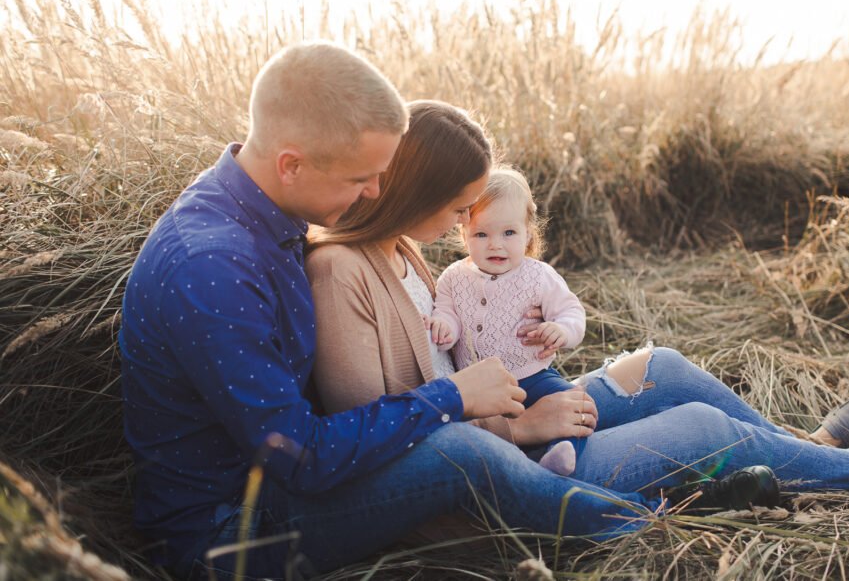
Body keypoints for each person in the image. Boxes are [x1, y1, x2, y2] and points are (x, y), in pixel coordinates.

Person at [119, 44, 776, 581]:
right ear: (291, 164)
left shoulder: (264, 211)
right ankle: (653, 518)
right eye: (361, 179)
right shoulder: (213, 269)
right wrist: (456, 398)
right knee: (462, 451)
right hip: (237, 529)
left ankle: (762, 468)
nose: (376, 192)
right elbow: (301, 455)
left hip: (310, 476)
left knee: (654, 373)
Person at [308, 98, 849, 547]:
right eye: (460, 206)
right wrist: (520, 428)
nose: (466, 221)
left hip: (518, 411)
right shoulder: (341, 272)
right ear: (421, 190)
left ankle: (802, 446)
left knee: (659, 367)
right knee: (702, 430)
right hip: (515, 463)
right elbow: (376, 440)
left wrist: (540, 358)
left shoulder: (404, 249)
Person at [427, 166, 585, 476]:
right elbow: (446, 312)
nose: (495, 244)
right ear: (464, 236)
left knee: (573, 404)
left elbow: (572, 312)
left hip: (532, 376)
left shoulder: (538, 276)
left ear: (528, 234)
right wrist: (445, 327)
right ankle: (513, 458)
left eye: (509, 233)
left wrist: (561, 330)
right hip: (479, 389)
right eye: (481, 234)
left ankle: (560, 455)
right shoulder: (453, 278)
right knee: (482, 429)